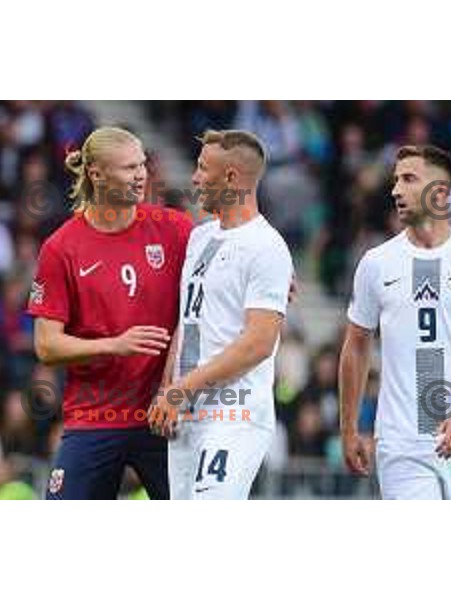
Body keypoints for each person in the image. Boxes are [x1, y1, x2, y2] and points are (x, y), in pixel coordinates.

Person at [26, 127, 192, 499]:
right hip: (94, 417)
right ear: (97, 173)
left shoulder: (175, 228)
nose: (141, 175)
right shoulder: (61, 247)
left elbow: (229, 259)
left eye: (142, 165)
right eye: (129, 167)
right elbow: (47, 346)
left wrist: (274, 271)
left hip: (163, 415)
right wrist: (114, 345)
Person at [339, 145, 451, 500]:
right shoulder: (376, 263)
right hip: (401, 442)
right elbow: (356, 346)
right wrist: (349, 427)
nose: (395, 190)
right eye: (395, 180)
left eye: (408, 179)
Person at [149, 129, 294, 500]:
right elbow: (188, 319)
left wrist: (183, 389)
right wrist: (169, 390)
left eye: (202, 168)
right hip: (186, 414)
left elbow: (259, 343)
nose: (195, 177)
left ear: (231, 177)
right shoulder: (200, 238)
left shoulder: (266, 246)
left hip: (234, 414)